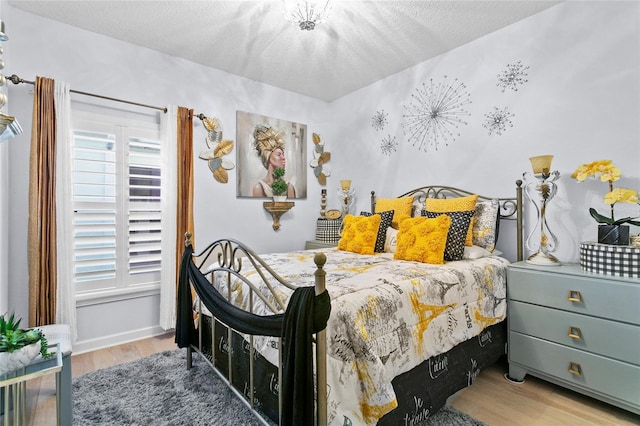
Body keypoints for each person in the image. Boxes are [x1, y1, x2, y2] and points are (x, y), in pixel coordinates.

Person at [252, 125, 297, 198]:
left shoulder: (289, 187)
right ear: (268, 157)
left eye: (283, 154)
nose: (283, 158)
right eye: (279, 154)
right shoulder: (259, 188)